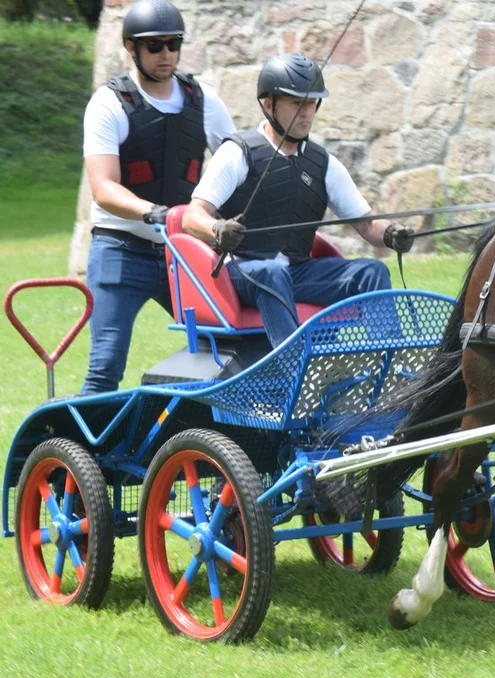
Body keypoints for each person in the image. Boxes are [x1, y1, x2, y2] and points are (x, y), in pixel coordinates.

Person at [182, 53, 414, 348]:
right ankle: (295, 366)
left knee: (372, 271)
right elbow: (192, 217)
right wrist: (218, 229)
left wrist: (392, 234)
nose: (307, 113)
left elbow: (368, 227)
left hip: (299, 272)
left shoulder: (323, 163)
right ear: (268, 105)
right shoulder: (238, 153)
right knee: (272, 272)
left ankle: (388, 362)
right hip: (244, 271)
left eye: (312, 103)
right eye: (297, 103)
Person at [81, 0, 235, 394]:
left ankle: (198, 444)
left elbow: (237, 167)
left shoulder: (205, 101)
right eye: (155, 46)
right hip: (121, 249)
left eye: (174, 44)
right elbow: (103, 188)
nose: (166, 54)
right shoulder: (109, 104)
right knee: (105, 367)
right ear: (131, 48)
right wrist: (156, 213)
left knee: (225, 350)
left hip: (184, 251)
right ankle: (78, 452)